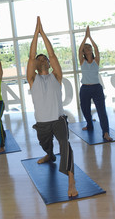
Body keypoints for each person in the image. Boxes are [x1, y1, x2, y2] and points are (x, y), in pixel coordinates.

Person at [27, 16, 78, 197]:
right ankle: (49, 154)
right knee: (45, 143)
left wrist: (43, 34)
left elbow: (53, 54)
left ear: (48, 63)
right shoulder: (32, 80)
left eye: (45, 58)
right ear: (35, 65)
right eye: (39, 59)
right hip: (42, 122)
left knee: (65, 144)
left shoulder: (56, 77)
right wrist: (35, 34)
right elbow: (31, 56)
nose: (42, 59)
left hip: (58, 119)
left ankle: (71, 181)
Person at [79, 26, 112, 141]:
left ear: (91, 50)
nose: (87, 48)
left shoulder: (96, 61)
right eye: (85, 48)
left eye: (89, 47)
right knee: (85, 109)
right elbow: (79, 50)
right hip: (85, 89)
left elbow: (97, 49)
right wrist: (85, 37)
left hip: (97, 88)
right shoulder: (82, 61)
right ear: (83, 51)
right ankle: (89, 124)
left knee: (101, 110)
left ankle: (106, 133)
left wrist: (90, 37)